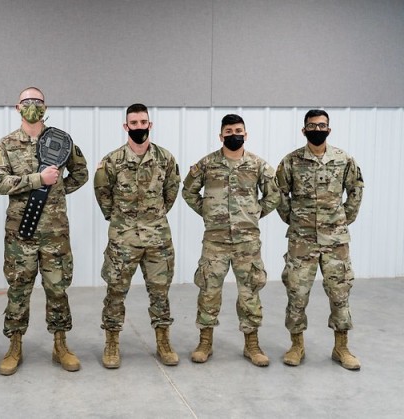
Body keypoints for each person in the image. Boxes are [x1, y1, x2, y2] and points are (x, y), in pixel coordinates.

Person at [0, 86, 88, 375]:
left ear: (45, 106)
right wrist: (38, 180)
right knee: (18, 289)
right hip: (20, 233)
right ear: (16, 108)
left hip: (55, 233)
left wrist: (56, 190)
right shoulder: (6, 144)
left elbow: (80, 173)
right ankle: (14, 346)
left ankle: (60, 345)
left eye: (37, 101)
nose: (31, 105)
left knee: (57, 289)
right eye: (26, 101)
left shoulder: (61, 140)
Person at [182, 114, 280, 367]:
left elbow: (274, 195)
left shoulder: (258, 165)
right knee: (208, 291)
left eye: (238, 130)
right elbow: (188, 191)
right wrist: (207, 212)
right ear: (221, 136)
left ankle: (252, 344)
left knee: (250, 292)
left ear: (245, 135)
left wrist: (254, 214)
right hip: (215, 241)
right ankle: (205, 342)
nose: (233, 134)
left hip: (247, 242)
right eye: (228, 131)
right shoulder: (207, 164)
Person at [93, 103, 180, 369]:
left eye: (144, 122)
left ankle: (163, 341)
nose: (139, 127)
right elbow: (102, 192)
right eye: (134, 123)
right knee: (115, 292)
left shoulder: (165, 158)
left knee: (160, 293)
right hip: (123, 239)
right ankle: (111, 342)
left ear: (150, 125)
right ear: (126, 126)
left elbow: (172, 190)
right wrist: (118, 220)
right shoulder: (112, 161)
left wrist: (155, 216)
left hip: (157, 239)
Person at [276, 109, 364, 370]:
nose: (317, 129)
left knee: (340, 293)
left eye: (322, 125)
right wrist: (295, 220)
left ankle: (341, 347)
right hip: (301, 240)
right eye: (312, 126)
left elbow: (356, 190)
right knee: (297, 292)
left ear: (329, 129)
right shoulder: (291, 161)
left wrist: (342, 219)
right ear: (304, 130)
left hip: (335, 241)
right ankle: (296, 345)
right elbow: (280, 195)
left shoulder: (343, 159)